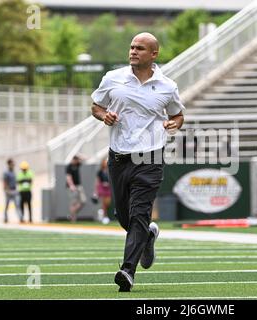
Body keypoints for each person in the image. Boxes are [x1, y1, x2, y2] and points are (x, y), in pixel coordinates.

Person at [91, 32, 185, 292]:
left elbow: (178, 115)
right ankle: (148, 235)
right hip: (118, 157)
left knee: (139, 214)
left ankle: (127, 270)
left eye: (140, 48)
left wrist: (172, 124)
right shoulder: (113, 79)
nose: (133, 51)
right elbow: (95, 106)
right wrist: (103, 116)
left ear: (153, 54)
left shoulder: (167, 86)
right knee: (124, 216)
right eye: (132, 47)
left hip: (150, 156)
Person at [66, 155, 87, 222]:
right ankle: (73, 219)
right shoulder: (69, 166)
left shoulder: (77, 164)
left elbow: (85, 159)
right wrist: (71, 185)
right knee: (73, 203)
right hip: (72, 187)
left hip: (79, 185)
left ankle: (71, 214)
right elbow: (68, 177)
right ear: (73, 160)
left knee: (83, 201)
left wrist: (79, 156)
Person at [3, 159, 23, 223]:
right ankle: (5, 217)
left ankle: (20, 218)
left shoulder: (14, 172)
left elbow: (15, 182)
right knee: (7, 205)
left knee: (17, 205)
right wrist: (7, 190)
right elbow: (5, 182)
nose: (13, 165)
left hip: (14, 190)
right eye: (12, 164)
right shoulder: (6, 173)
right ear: (9, 164)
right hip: (8, 191)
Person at [93, 158, 112, 224]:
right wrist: (95, 191)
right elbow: (97, 181)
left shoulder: (109, 170)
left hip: (108, 188)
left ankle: (102, 215)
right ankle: (104, 217)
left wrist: (108, 184)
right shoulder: (100, 172)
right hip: (102, 188)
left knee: (108, 203)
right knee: (103, 203)